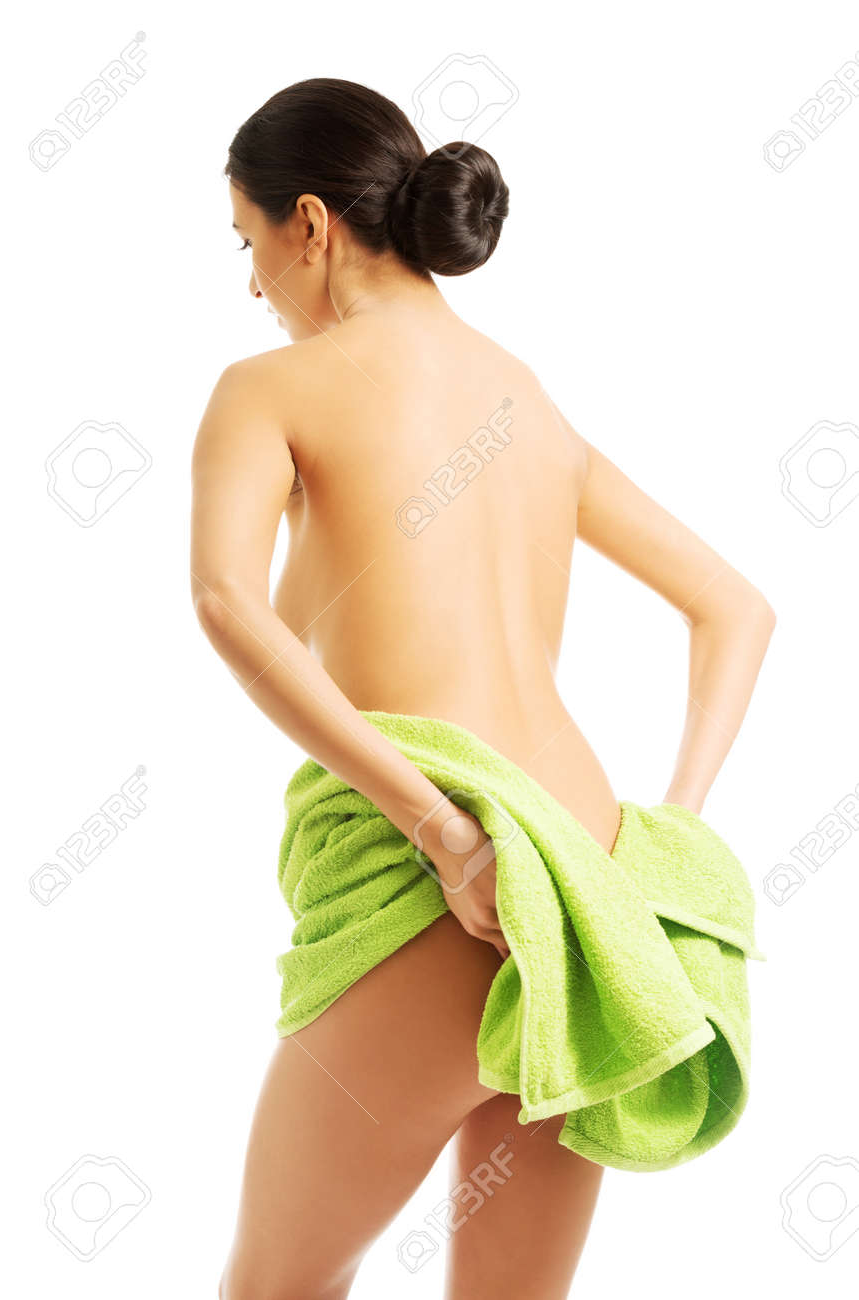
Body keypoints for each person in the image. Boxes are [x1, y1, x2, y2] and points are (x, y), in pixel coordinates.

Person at [190, 76, 776, 1300]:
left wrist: (445, 834)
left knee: (274, 1286)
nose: (251, 285)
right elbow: (735, 605)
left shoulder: (269, 387)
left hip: (445, 887)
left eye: (247, 243)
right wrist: (671, 831)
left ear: (311, 224)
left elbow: (227, 605)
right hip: (589, 883)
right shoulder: (525, 401)